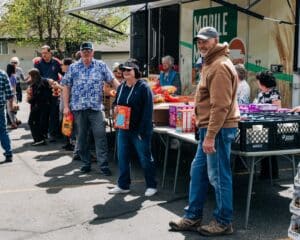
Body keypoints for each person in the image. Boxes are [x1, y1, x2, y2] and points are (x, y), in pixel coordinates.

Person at [169, 26, 239, 236]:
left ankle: (224, 221)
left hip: (216, 130)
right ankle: (192, 216)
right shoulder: (210, 63)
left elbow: (220, 106)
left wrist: (209, 135)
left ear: (216, 40)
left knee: (218, 177)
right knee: (198, 172)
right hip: (210, 129)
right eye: (199, 41)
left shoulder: (219, 66)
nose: (201, 44)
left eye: (206, 41)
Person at [62, 42, 120, 176]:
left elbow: (112, 80)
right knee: (82, 137)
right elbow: (66, 86)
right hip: (78, 108)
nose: (86, 53)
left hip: (96, 108)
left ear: (93, 52)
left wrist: (123, 91)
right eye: (84, 51)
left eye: (89, 50)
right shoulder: (73, 67)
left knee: (100, 135)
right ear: (80, 53)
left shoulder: (101, 65)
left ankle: (103, 165)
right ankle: (86, 163)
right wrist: (65, 106)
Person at [108, 59, 157, 197]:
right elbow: (116, 103)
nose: (125, 72)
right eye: (123, 70)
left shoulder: (144, 87)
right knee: (122, 156)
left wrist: (142, 130)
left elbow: (148, 111)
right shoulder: (122, 86)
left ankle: (151, 185)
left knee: (145, 158)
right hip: (123, 128)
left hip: (139, 130)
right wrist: (115, 109)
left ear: (136, 72)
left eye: (129, 70)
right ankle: (123, 185)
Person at [255, 70, 281, 179]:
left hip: (271, 124)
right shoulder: (260, 93)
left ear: (263, 82)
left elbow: (277, 108)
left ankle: (272, 173)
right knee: (262, 148)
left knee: (270, 148)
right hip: (260, 123)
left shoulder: (274, 92)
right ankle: (264, 172)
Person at [34, 45, 62, 142]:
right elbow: (36, 77)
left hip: (55, 91)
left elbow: (64, 74)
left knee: (54, 112)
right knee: (44, 113)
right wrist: (47, 80)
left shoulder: (57, 62)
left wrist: (58, 83)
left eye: (45, 53)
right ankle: (44, 134)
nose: (44, 55)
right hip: (42, 91)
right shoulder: (38, 63)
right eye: (42, 53)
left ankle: (53, 133)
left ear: (50, 53)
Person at [26, 68, 52, 146]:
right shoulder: (44, 81)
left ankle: (38, 139)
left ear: (33, 76)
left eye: (30, 76)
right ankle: (41, 138)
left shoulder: (37, 84)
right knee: (41, 123)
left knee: (32, 122)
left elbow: (37, 96)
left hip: (38, 106)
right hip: (45, 106)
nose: (29, 77)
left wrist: (30, 100)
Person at [0, 69, 14, 162]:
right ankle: (8, 153)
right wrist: (11, 106)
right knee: (3, 130)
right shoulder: (2, 73)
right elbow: (9, 93)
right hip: (0, 106)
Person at [6, 63, 18, 129]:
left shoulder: (6, 76)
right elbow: (14, 87)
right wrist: (14, 95)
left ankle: (13, 123)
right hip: (12, 94)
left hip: (7, 95)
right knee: (12, 109)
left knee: (9, 110)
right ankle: (14, 122)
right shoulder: (13, 77)